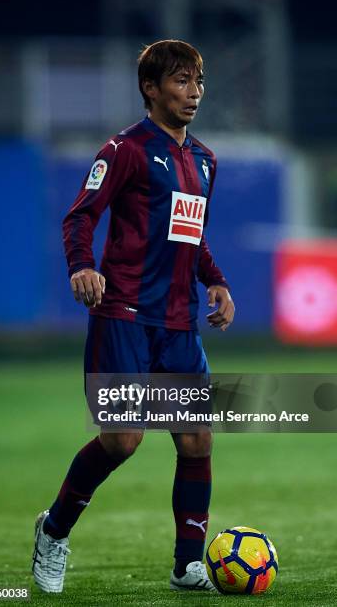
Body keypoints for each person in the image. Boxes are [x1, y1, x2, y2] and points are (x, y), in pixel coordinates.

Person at [32, 39, 235, 594]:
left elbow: (191, 234)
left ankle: (187, 564)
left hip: (177, 323)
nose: (194, 92)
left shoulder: (205, 161)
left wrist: (213, 279)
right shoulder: (122, 150)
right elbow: (81, 216)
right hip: (123, 313)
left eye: (198, 81)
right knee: (123, 440)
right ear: (151, 88)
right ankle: (53, 530)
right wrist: (81, 267)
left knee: (197, 439)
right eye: (181, 81)